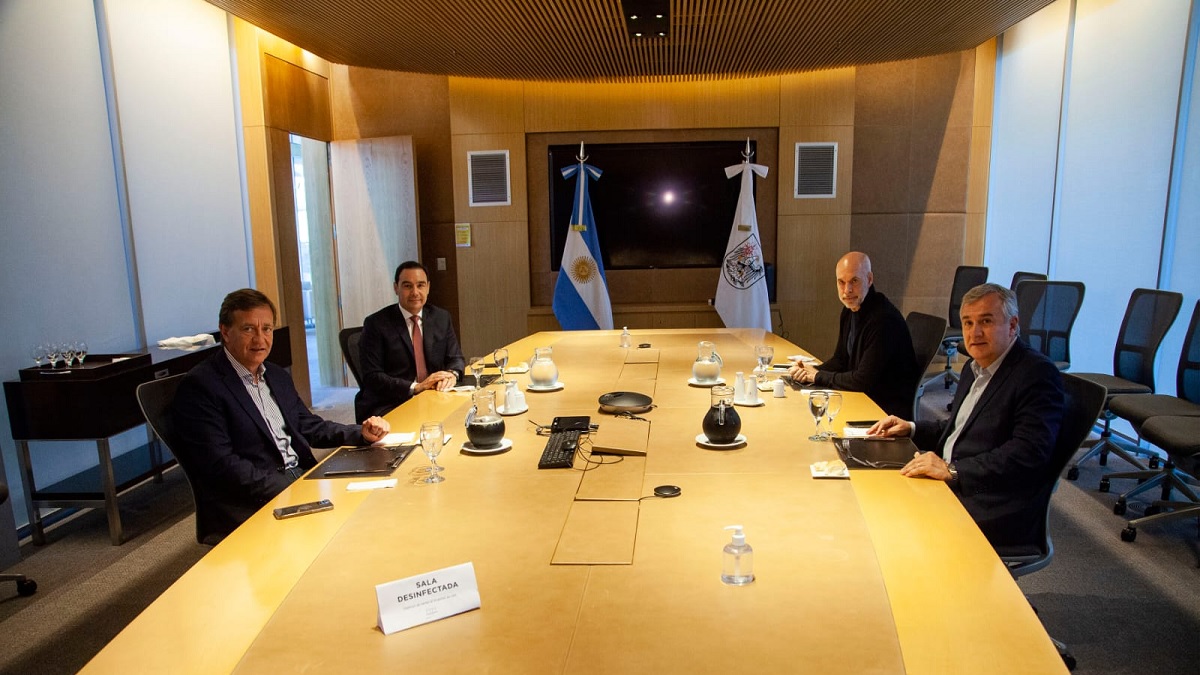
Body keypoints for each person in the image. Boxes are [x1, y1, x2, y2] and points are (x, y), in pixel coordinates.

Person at [173, 289, 389, 542]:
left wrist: (360, 433)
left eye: (267, 329)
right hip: (253, 499)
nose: (260, 339)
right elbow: (222, 465)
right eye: (248, 329)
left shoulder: (275, 375)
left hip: (300, 476)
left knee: (377, 502)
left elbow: (308, 425)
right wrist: (292, 489)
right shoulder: (202, 386)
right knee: (346, 534)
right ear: (225, 332)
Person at [868, 283, 1064, 550]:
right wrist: (911, 428)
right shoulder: (975, 367)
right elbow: (959, 428)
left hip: (991, 501)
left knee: (888, 524)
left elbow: (1028, 453)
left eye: (986, 321)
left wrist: (952, 471)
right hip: (955, 480)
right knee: (873, 489)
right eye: (968, 323)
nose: (975, 332)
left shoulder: (1036, 374)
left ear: (1012, 325)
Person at [788, 251, 919, 417]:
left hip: (883, 409)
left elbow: (862, 381)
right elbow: (841, 359)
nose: (847, 290)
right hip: (861, 396)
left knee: (813, 415)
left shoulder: (884, 319)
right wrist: (810, 371)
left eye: (854, 281)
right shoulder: (849, 310)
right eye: (841, 282)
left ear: (869, 279)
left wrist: (818, 376)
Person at [355, 261, 465, 422]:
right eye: (407, 286)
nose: (415, 292)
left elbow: (456, 358)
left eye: (420, 285)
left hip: (433, 397)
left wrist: (451, 375)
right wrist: (416, 387)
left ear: (428, 287)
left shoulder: (441, 317)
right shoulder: (376, 324)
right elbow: (372, 376)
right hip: (392, 402)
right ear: (396, 288)